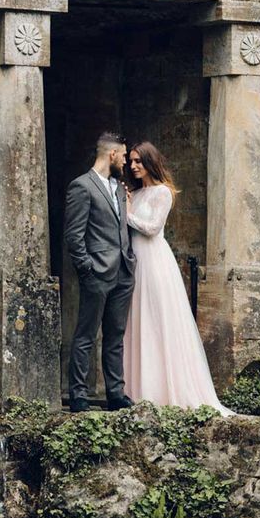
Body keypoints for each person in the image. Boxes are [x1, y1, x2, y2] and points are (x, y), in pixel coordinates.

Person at [123, 141, 233, 414]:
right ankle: (136, 392)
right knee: (137, 322)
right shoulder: (134, 195)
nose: (134, 166)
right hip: (135, 263)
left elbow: (151, 228)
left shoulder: (163, 192)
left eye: (139, 161)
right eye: (131, 162)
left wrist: (125, 214)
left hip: (155, 263)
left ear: (150, 161)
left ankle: (164, 391)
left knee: (157, 322)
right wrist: (125, 205)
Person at [64, 132, 136, 413]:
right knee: (85, 335)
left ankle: (116, 394)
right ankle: (78, 395)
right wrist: (86, 268)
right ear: (112, 155)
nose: (127, 162)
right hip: (97, 273)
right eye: (124, 156)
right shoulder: (81, 186)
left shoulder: (119, 188)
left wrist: (128, 260)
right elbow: (74, 235)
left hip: (123, 272)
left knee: (115, 336)